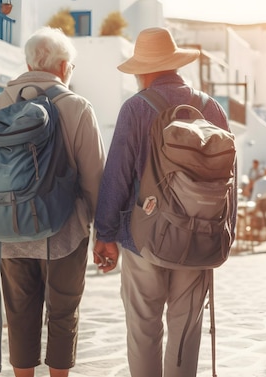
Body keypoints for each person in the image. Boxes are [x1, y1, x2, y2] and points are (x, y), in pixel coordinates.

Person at [92, 27, 237, 377]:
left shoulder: (136, 108)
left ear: (142, 70)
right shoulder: (211, 108)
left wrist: (106, 234)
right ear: (174, 64)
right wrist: (225, 232)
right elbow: (230, 178)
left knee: (144, 327)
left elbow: (117, 175)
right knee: (186, 329)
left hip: (143, 239)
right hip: (200, 235)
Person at [0, 27, 106, 377]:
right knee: (62, 314)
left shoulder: (1, 103)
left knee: (19, 314)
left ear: (31, 63)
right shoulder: (76, 106)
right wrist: (97, 228)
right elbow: (94, 177)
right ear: (63, 67)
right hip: (62, 232)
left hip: (9, 232)